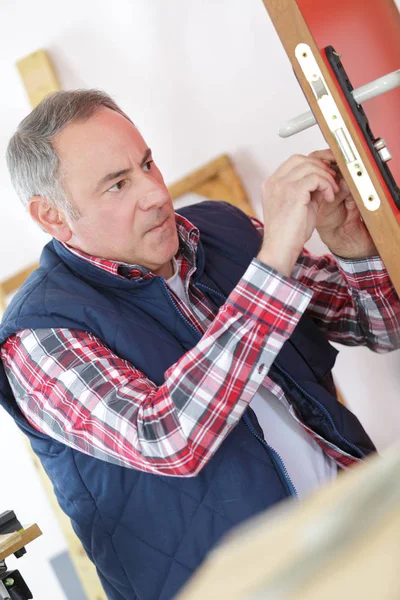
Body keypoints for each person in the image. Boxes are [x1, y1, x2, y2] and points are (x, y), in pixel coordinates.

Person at [1, 90, 399, 600]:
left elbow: (383, 330)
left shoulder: (221, 232)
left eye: (147, 164)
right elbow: (169, 437)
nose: (154, 193)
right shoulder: (38, 336)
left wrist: (350, 245)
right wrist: (275, 257)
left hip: (358, 542)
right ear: (53, 216)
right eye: (118, 184)